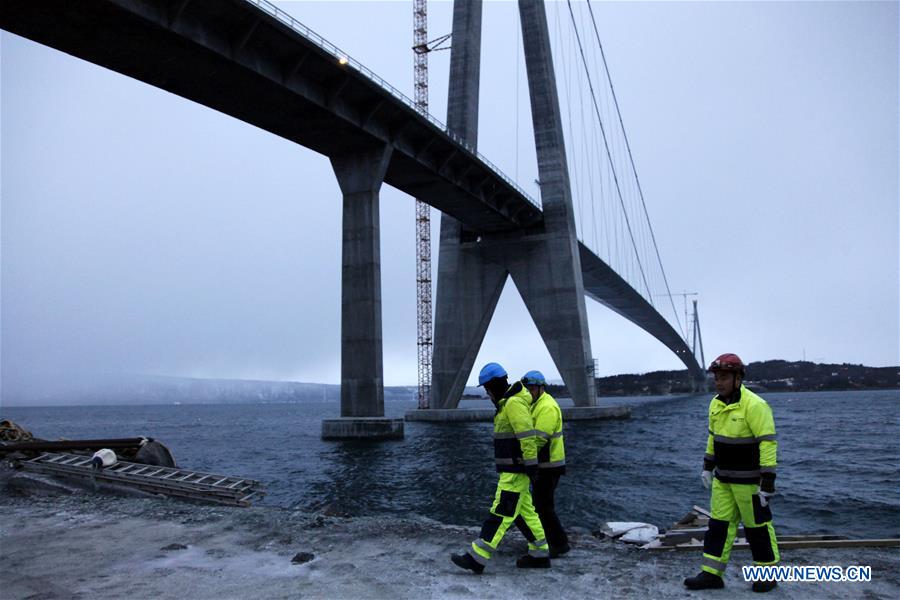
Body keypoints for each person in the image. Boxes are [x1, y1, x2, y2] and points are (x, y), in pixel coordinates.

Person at [684, 353, 780, 593]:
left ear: (738, 378)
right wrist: (707, 467)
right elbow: (713, 439)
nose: (719, 382)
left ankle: (767, 575)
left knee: (757, 529)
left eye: (724, 377)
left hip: (749, 483)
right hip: (723, 480)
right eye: (716, 377)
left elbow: (767, 444)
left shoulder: (756, 406)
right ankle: (712, 574)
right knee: (718, 528)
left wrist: (767, 481)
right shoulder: (715, 404)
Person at [451, 362, 551, 573]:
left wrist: (531, 465)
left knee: (501, 512)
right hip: (514, 469)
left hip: (516, 470)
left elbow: (526, 436)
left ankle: (477, 558)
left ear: (494, 385)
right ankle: (540, 554)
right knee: (526, 513)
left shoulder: (513, 403)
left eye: (487, 388)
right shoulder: (509, 403)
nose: (487, 393)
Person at [518, 370, 570, 558]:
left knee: (543, 506)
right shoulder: (536, 404)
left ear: (541, 388)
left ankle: (558, 544)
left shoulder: (547, 406)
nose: (529, 391)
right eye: (527, 388)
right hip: (544, 464)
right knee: (540, 505)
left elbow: (540, 438)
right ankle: (550, 541)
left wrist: (523, 456)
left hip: (549, 465)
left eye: (532, 388)